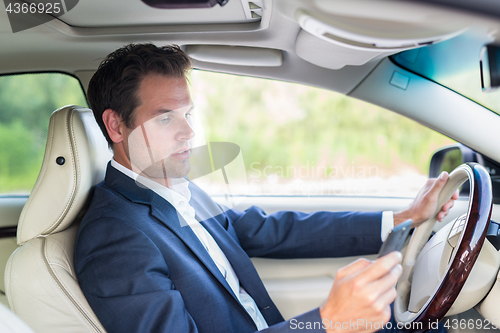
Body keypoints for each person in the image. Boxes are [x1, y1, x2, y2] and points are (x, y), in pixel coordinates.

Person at [74, 43, 457, 333]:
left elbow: (269, 230)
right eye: (165, 119)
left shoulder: (174, 189)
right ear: (116, 126)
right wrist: (328, 321)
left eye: (188, 114)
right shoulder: (114, 237)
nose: (189, 132)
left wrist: (403, 217)